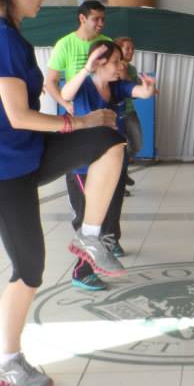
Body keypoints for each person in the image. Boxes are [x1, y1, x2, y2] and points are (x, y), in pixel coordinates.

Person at [0, 0, 125, 386]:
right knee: (29, 268)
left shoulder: (11, 36)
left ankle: (90, 236)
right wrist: (78, 121)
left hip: (28, 153)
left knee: (109, 141)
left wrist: (88, 125)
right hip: (1, 167)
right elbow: (18, 115)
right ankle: (7, 361)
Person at [61, 41, 157, 289]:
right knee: (86, 219)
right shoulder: (83, 85)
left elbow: (139, 92)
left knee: (105, 217)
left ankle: (94, 263)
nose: (120, 66)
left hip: (110, 165)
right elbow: (65, 95)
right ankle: (81, 272)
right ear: (99, 63)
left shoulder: (116, 87)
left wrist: (147, 90)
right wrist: (86, 68)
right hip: (82, 165)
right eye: (115, 61)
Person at [43, 0, 110, 113]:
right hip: (77, 107)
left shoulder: (108, 43)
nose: (101, 23)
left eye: (103, 19)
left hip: (103, 105)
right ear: (82, 18)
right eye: (96, 19)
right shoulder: (64, 44)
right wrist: (65, 104)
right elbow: (51, 81)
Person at [114, 36, 142, 191]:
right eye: (127, 48)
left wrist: (127, 76)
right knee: (117, 149)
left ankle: (123, 170)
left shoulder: (132, 69)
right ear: (119, 49)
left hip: (130, 111)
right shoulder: (111, 66)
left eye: (133, 49)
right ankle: (119, 180)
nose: (131, 51)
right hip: (115, 114)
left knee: (137, 144)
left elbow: (136, 93)